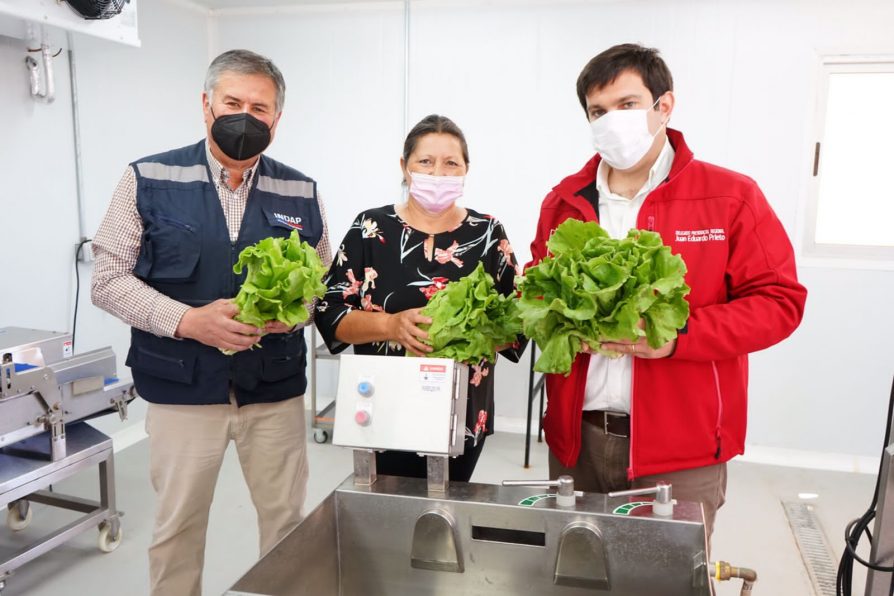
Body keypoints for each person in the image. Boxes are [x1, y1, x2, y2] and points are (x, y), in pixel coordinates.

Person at [527, 43, 807, 542]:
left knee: (666, 579)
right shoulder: (563, 201)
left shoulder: (729, 197)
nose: (612, 121)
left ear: (664, 106)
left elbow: (780, 302)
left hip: (682, 452)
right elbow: (539, 294)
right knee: (574, 574)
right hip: (577, 443)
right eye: (598, 111)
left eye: (628, 105)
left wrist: (677, 336)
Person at [91, 49, 331, 596]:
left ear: (277, 118)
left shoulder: (302, 191)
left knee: (286, 525)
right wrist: (186, 321)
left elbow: (320, 287)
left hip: (273, 392)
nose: (246, 115)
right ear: (206, 105)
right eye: (233, 102)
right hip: (181, 392)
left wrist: (287, 316)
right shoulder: (147, 178)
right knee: (177, 530)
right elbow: (108, 279)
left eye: (260, 107)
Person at [314, 114, 523, 482]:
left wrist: (474, 328)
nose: (438, 174)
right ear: (404, 167)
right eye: (425, 162)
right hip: (383, 411)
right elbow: (329, 312)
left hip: (461, 417)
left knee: (445, 517)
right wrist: (390, 326)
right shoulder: (369, 229)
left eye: (450, 163)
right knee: (387, 518)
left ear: (466, 170)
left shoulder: (488, 232)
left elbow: (517, 324)